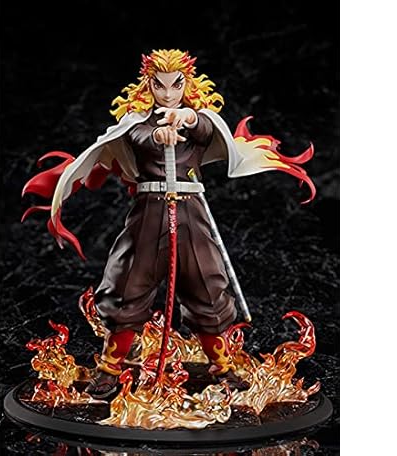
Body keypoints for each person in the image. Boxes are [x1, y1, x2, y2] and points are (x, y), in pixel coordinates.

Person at [22, 49, 315, 398]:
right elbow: (137, 136)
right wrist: (157, 135)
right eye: (159, 86)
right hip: (149, 212)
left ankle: (222, 365)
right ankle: (110, 367)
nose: (167, 93)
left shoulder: (198, 119)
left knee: (207, 284)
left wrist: (187, 118)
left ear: (187, 84)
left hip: (191, 211)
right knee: (127, 284)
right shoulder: (137, 122)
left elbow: (207, 128)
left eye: (176, 85)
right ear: (148, 86)